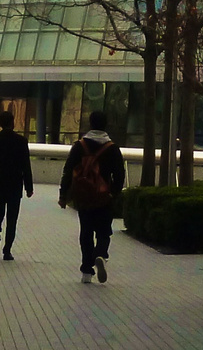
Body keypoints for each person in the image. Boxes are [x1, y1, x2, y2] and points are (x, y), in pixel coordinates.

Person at [58, 110, 125, 284]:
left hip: (84, 197)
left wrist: (63, 195)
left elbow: (68, 170)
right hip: (104, 197)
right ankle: (101, 254)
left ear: (90, 123)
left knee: (86, 232)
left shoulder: (80, 146)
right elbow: (119, 175)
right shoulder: (112, 148)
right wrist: (113, 193)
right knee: (104, 231)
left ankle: (86, 271)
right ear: (105, 124)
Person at [0, 110, 33, 260]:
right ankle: (7, 249)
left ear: (0, 123)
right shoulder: (21, 141)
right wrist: (29, 187)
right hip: (15, 184)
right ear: (12, 122)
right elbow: (25, 165)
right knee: (12, 218)